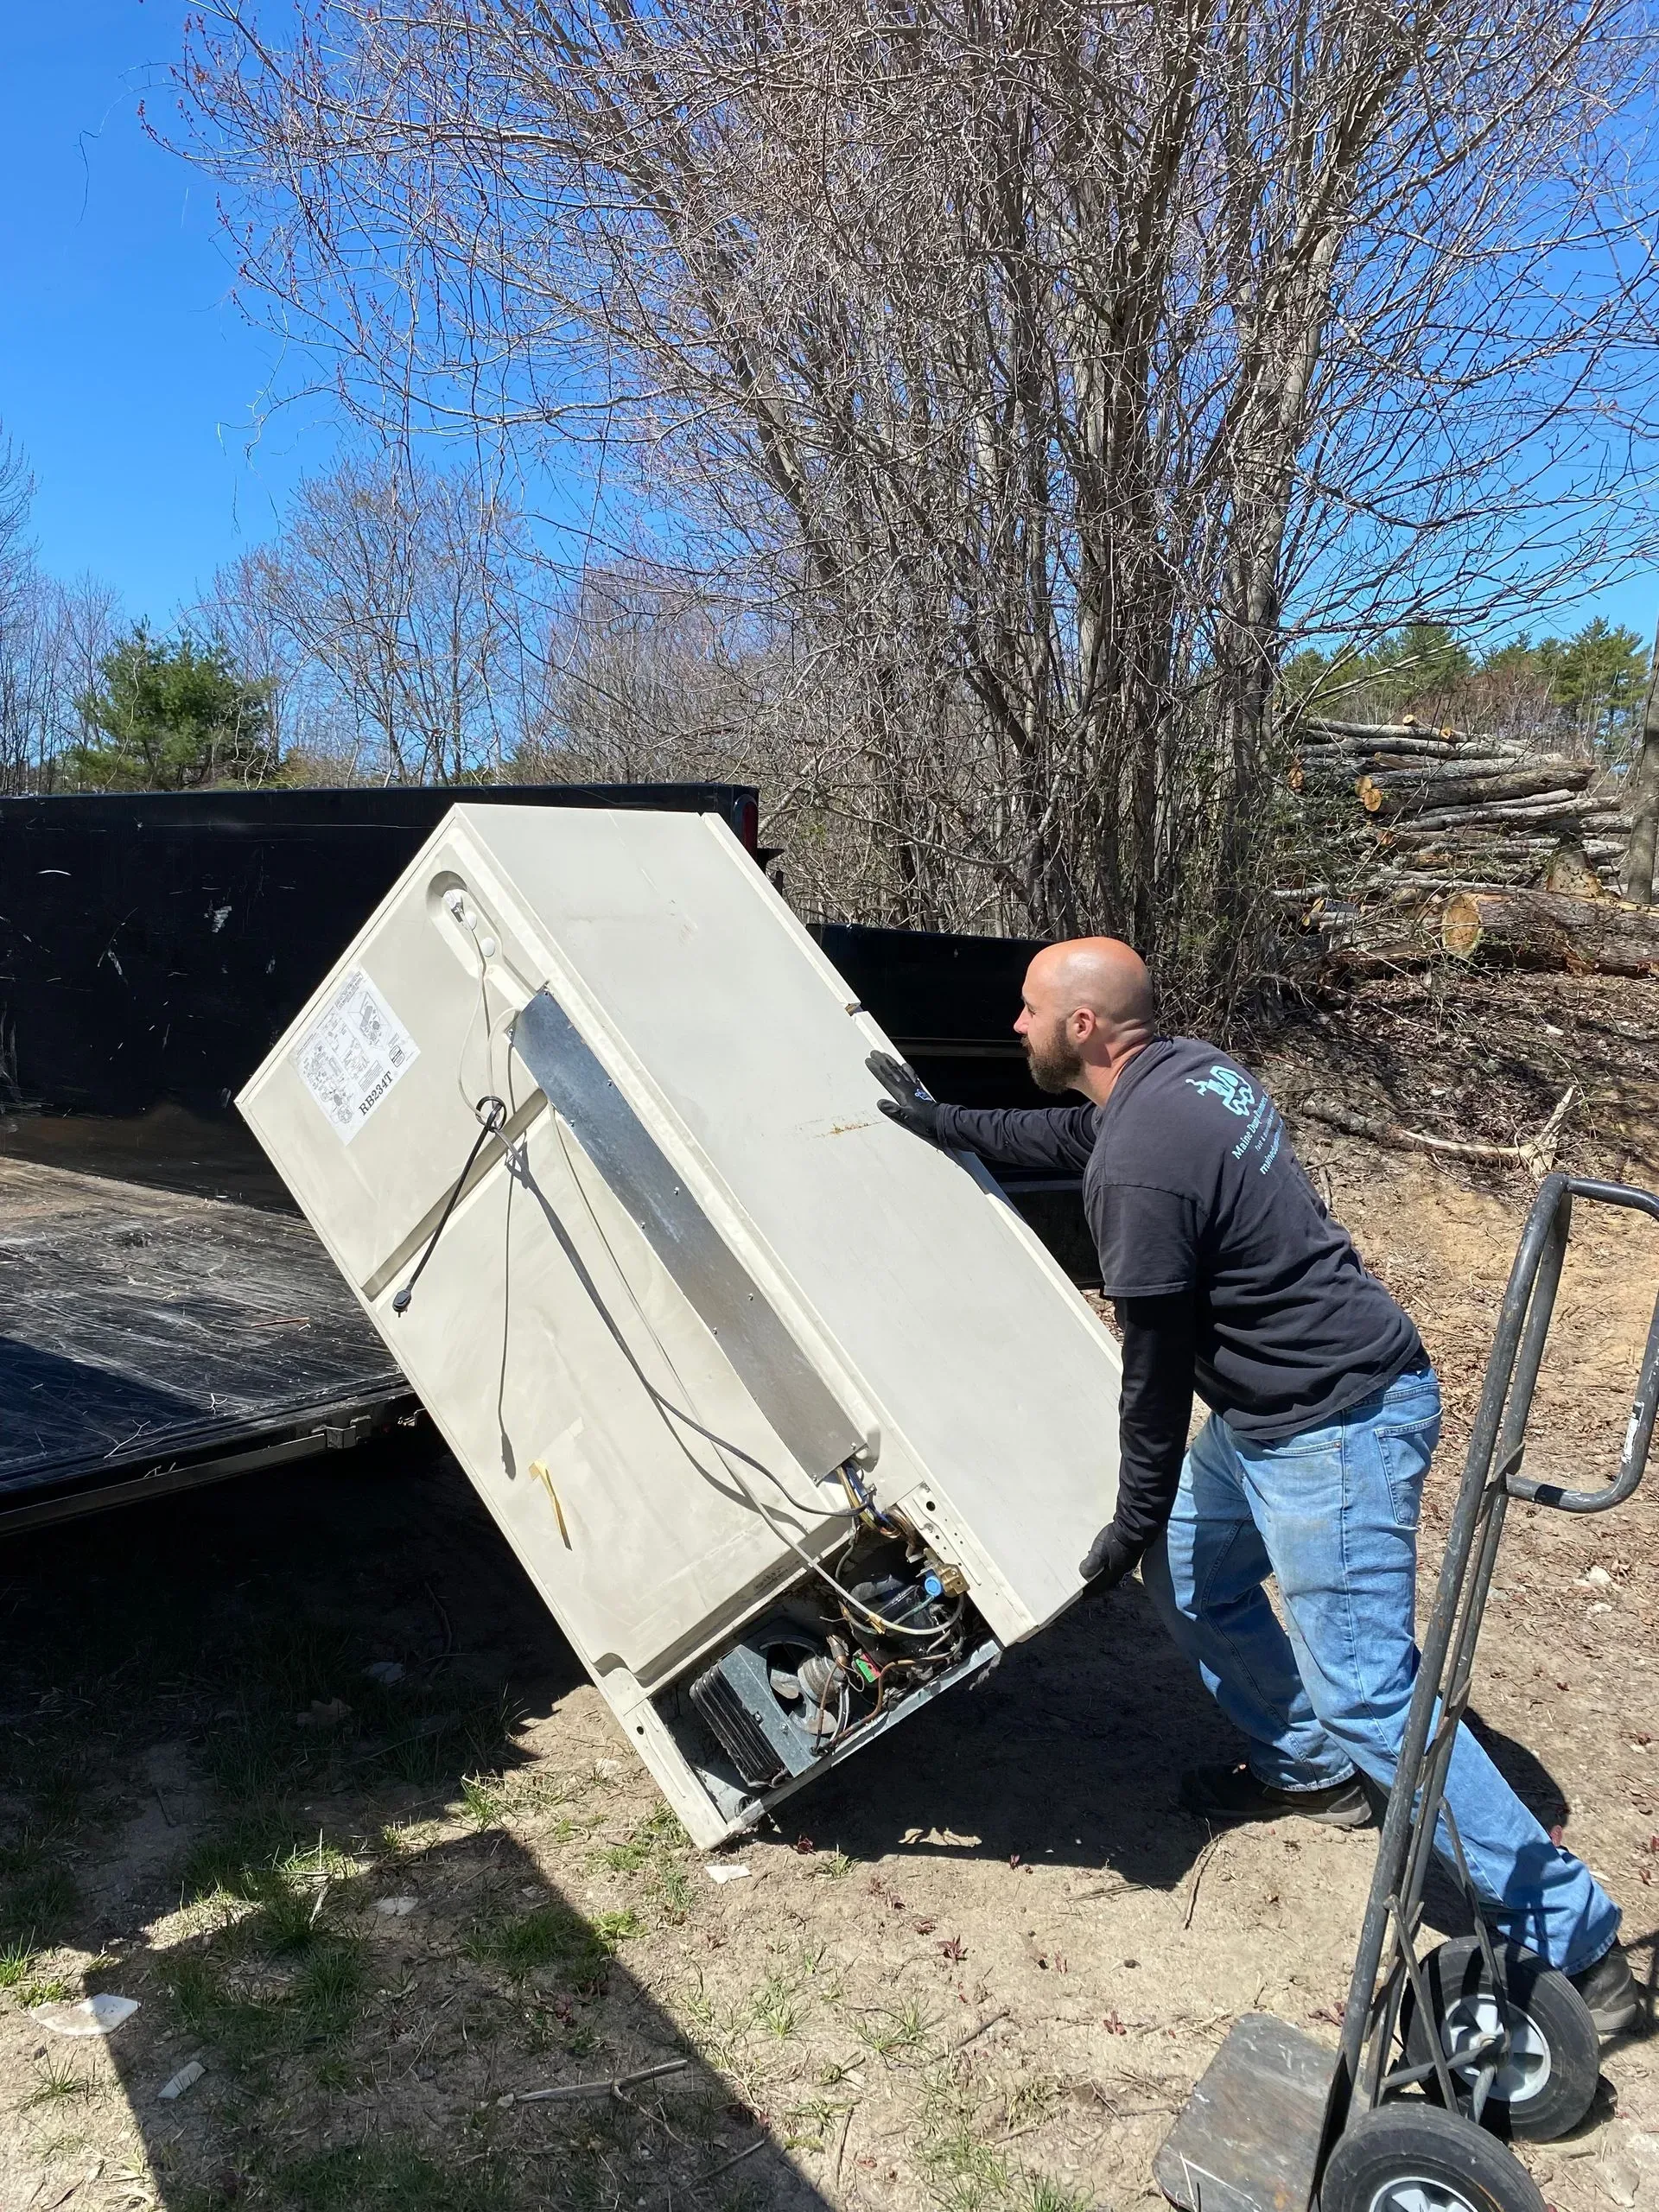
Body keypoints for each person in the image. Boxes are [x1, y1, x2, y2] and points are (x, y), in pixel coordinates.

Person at [868, 935, 1635, 2036]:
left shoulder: (1139, 1166)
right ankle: (1306, 1765)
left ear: (1083, 1028)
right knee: (1189, 1572)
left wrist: (1133, 1510)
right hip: (1280, 1409)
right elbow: (1065, 1129)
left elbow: (1153, 1368)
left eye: (1029, 1011)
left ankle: (1581, 1942)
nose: (1015, 1027)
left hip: (1335, 1423)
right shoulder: (1186, 1074)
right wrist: (947, 1122)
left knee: (1369, 1684)